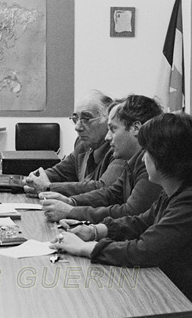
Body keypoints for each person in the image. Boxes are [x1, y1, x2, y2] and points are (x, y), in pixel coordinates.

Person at [50, 113, 192, 318]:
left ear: (165, 158)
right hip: (178, 290)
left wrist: (84, 248)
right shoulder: (176, 193)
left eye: (148, 153)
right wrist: (94, 230)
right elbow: (140, 222)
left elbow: (144, 250)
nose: (143, 159)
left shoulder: (191, 203)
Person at [42, 94, 163, 223]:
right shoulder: (134, 160)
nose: (108, 137)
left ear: (136, 128)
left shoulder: (152, 164)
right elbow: (111, 194)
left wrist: (72, 211)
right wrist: (71, 201)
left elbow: (130, 213)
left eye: (113, 129)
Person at [23, 90, 125, 196]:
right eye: (76, 119)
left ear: (108, 121)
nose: (77, 127)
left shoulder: (120, 149)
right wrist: (34, 179)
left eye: (86, 119)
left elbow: (102, 189)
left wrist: (49, 187)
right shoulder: (82, 144)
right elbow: (61, 172)